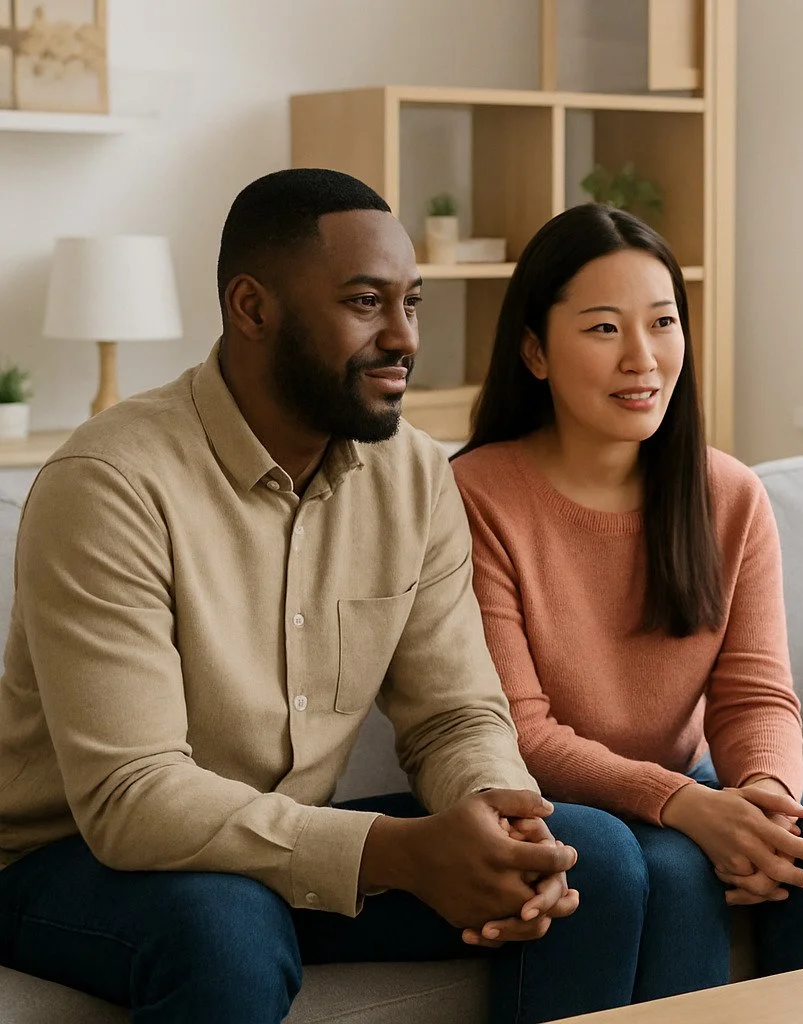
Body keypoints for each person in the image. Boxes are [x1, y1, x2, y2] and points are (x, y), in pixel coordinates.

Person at [0, 169, 645, 1024]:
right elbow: (135, 795)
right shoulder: (111, 484)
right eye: (364, 302)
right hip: (72, 858)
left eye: (410, 303)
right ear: (252, 308)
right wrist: (396, 853)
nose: (404, 337)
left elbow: (454, 714)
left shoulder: (413, 473)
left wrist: (498, 815)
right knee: (226, 923)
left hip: (283, 846)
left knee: (587, 856)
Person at [451, 203, 803, 1001]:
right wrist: (685, 803)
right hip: (552, 797)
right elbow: (523, 731)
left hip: (677, 783)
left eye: (662, 322)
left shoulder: (728, 495)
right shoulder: (477, 497)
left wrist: (765, 801)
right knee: (672, 870)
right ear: (534, 352)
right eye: (604, 329)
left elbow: (755, 695)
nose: (643, 358)